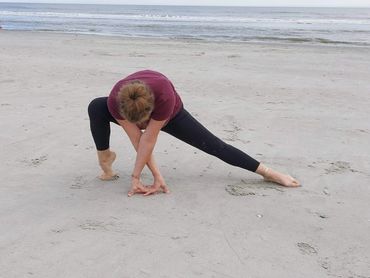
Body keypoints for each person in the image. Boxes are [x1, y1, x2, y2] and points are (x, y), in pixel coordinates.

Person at [88, 70, 300, 197]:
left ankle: (269, 173)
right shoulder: (116, 100)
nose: (142, 126)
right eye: (139, 123)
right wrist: (144, 177)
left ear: (151, 111)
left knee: (215, 146)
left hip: (172, 113)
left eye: (144, 121)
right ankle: (105, 158)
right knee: (96, 106)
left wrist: (151, 177)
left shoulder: (164, 97)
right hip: (126, 106)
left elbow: (148, 139)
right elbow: (138, 141)